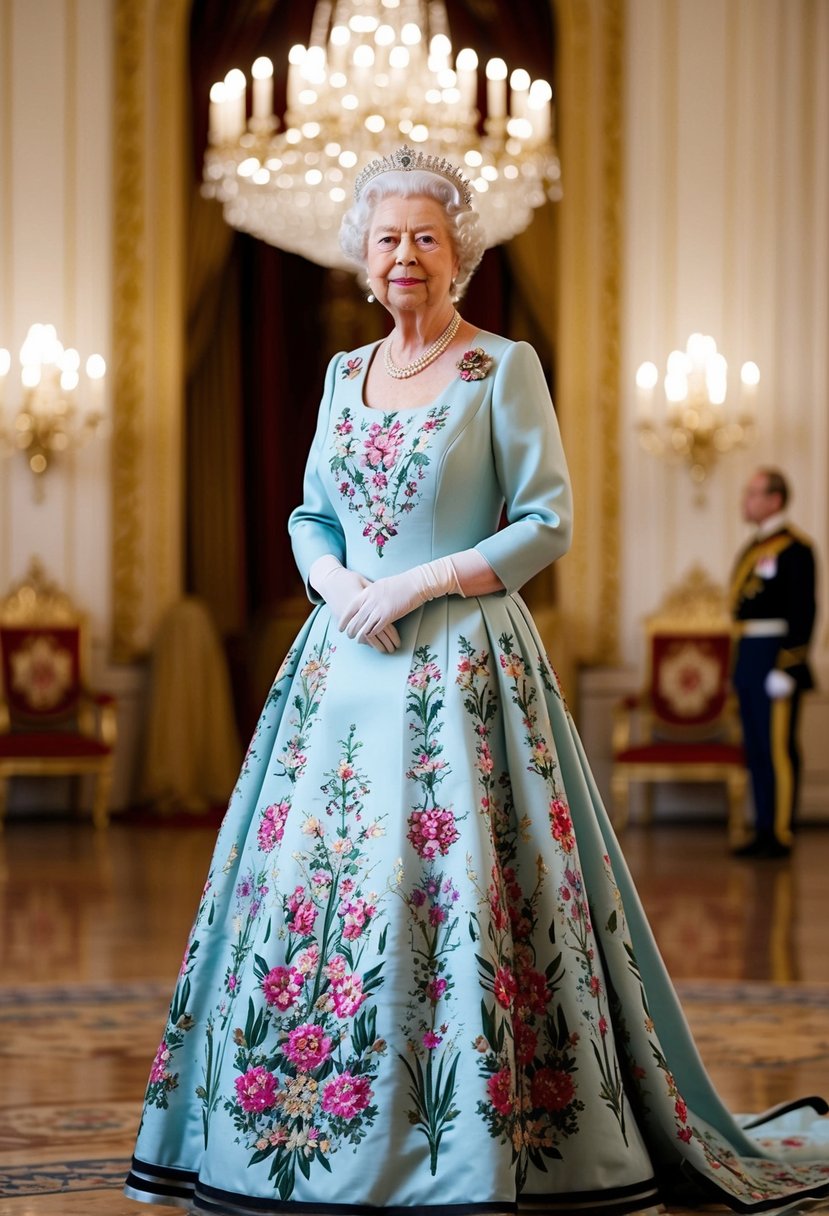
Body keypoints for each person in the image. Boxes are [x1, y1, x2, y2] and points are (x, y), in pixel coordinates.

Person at [125, 148, 829, 1216]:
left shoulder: (501, 369)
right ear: (362, 260)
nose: (404, 256)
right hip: (343, 663)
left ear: (460, 255)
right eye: (386, 239)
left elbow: (548, 521)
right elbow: (311, 511)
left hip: (460, 666)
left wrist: (419, 583)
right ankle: (309, 1121)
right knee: (319, 898)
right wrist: (334, 580)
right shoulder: (338, 374)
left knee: (461, 895)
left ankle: (465, 1133)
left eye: (425, 237)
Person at [731, 468, 817, 859]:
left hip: (774, 657)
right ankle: (763, 826)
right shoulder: (755, 547)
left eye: (753, 493)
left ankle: (780, 830)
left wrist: (788, 664)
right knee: (756, 747)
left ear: (775, 500)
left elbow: (804, 610)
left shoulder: (797, 548)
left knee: (778, 747)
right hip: (749, 655)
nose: (745, 501)